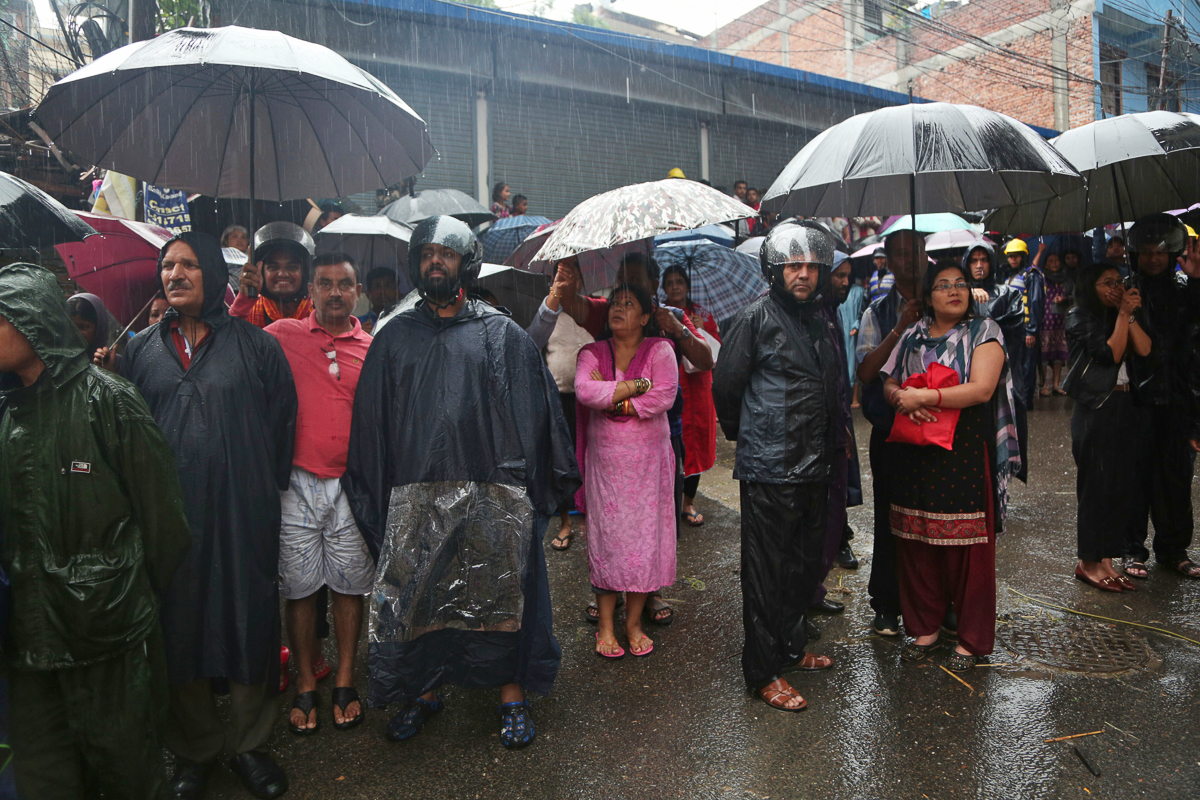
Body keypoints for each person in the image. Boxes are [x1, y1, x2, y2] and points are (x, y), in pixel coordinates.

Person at [344, 216, 579, 750]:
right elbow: (372, 428)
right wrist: (375, 498)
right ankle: (423, 691)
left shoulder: (500, 335)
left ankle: (510, 695)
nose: (434, 261)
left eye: (445, 253)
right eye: (426, 252)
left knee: (502, 598)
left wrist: (535, 493)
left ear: (465, 264)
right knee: (422, 598)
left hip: (491, 494)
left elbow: (537, 416)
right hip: (416, 496)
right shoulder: (394, 340)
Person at [0, 263, 191, 799]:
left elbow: (164, 524)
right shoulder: (6, 414)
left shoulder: (110, 402)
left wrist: (120, 595)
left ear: (32, 322)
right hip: (29, 646)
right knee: (45, 776)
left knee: (128, 770)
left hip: (107, 638)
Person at [123, 232, 297, 800]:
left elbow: (280, 431)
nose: (175, 274)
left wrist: (253, 488)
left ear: (214, 274)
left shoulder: (257, 347)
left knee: (247, 619)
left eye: (189, 265)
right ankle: (194, 749)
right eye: (167, 265)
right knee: (179, 624)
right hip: (169, 520)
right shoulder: (140, 350)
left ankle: (250, 745)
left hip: (243, 511)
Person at [713, 220, 840, 712]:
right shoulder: (755, 318)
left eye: (811, 266)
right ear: (775, 269)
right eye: (794, 266)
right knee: (766, 572)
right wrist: (747, 436)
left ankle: (791, 648)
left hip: (815, 465)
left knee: (803, 566)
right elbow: (727, 385)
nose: (803, 274)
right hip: (770, 467)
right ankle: (763, 671)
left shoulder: (819, 318)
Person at [557, 252, 713, 626]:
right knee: (609, 521)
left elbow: (704, 361)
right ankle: (608, 590)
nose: (627, 293)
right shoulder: (606, 313)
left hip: (661, 429)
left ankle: (650, 589)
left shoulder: (668, 317)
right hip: (607, 441)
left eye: (638, 282)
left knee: (654, 520)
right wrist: (566, 281)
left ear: (653, 286)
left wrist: (676, 329)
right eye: (623, 281)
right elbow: (572, 308)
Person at [881, 261, 1019, 672]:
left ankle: (973, 640)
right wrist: (898, 398)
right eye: (942, 285)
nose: (954, 290)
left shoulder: (985, 332)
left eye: (961, 283)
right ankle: (925, 628)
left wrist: (925, 399)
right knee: (915, 537)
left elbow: (981, 389)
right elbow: (887, 378)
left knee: (968, 547)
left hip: (962, 450)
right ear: (927, 296)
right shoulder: (912, 334)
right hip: (913, 450)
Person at [264, 253, 374, 736]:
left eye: (343, 284)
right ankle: (306, 681)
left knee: (350, 585)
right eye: (325, 284)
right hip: (296, 483)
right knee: (299, 587)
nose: (334, 292)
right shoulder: (281, 335)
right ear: (311, 290)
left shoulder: (374, 346)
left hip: (350, 485)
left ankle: (346, 678)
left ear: (357, 290)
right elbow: (228, 347)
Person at [575, 282, 678, 658]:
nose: (619, 309)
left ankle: (633, 624)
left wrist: (616, 398)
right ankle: (605, 626)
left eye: (629, 304)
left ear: (647, 316)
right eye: (615, 303)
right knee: (608, 540)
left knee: (643, 540)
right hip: (606, 466)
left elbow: (665, 394)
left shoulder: (661, 349)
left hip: (648, 466)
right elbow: (585, 391)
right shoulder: (591, 352)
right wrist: (637, 385)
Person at [856, 230, 927, 637]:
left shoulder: (948, 301)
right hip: (890, 429)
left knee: (935, 518)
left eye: (915, 250)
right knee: (890, 519)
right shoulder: (877, 312)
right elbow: (866, 373)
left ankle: (937, 603)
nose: (909, 259)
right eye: (900, 253)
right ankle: (886, 603)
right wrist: (901, 326)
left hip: (939, 429)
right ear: (889, 260)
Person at [1122, 214, 1200, 580]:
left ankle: (1173, 549)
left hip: (1177, 398)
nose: (1154, 258)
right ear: (1135, 253)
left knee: (1176, 477)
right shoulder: (1125, 289)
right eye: (1147, 252)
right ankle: (1132, 549)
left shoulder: (1186, 289)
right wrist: (1127, 309)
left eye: (1161, 252)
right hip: (1135, 399)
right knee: (1134, 477)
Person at [1064, 263, 1150, 592]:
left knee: (1120, 485)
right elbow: (1110, 354)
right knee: (1095, 487)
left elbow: (1144, 349)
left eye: (1119, 282)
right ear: (1091, 286)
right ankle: (1088, 562)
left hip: (1126, 405)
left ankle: (1107, 561)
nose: (1114, 288)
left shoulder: (1118, 315)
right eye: (1106, 283)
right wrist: (1121, 315)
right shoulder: (1079, 316)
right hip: (1095, 408)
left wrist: (1126, 314)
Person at [660, 264, 721, 527]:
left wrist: (700, 330)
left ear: (687, 286)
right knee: (677, 443)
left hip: (700, 389)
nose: (675, 286)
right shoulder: (660, 315)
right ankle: (670, 500)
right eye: (670, 282)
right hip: (675, 388)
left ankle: (688, 501)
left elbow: (716, 351)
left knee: (697, 441)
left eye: (679, 282)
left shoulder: (703, 315)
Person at [965, 241, 1030, 482]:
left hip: (1001, 378)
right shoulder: (958, 293)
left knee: (999, 436)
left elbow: (1008, 333)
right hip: (967, 380)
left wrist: (982, 310)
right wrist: (967, 296)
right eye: (974, 260)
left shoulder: (1008, 293)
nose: (979, 265)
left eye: (984, 260)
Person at [540, 261, 594, 551]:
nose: (567, 280)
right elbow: (534, 342)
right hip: (558, 397)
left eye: (573, 275)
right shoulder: (547, 312)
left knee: (590, 456)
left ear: (582, 281)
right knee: (560, 458)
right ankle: (564, 522)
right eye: (561, 275)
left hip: (592, 399)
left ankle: (592, 515)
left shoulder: (591, 311)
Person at [232, 222, 316, 328]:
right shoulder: (249, 310)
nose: (282, 274)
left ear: (304, 273)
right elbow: (228, 335)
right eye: (273, 267)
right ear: (262, 272)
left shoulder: (319, 310)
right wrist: (244, 300)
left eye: (292, 267)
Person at [1002, 239, 1044, 407]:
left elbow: (1036, 302)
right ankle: (1017, 399)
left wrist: (1032, 331)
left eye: (1016, 256)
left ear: (1023, 256)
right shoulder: (1009, 276)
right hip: (1012, 328)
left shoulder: (1032, 275)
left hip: (1026, 327)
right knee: (1014, 365)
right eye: (1010, 256)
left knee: (1027, 365)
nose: (1013, 259)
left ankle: (1026, 400)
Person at [1039, 250, 1071, 396]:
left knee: (1059, 355)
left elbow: (1073, 295)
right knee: (1044, 356)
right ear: (1045, 264)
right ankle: (1044, 384)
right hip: (1045, 321)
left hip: (1060, 321)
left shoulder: (1066, 278)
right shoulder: (1041, 278)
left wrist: (1065, 299)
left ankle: (1056, 385)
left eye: (1056, 260)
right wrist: (1040, 250)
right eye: (1050, 261)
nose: (1054, 263)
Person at [66, 292, 120, 367]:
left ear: (99, 327)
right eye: (71, 327)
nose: (76, 333)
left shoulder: (117, 363)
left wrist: (109, 371)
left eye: (83, 327)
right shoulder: (58, 362)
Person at [357, 267, 400, 334]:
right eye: (376, 287)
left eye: (388, 286)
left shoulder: (405, 322)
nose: (382, 291)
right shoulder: (356, 324)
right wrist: (360, 337)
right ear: (368, 294)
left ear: (397, 292)